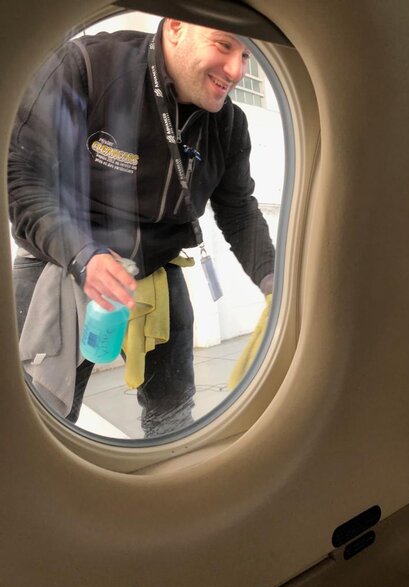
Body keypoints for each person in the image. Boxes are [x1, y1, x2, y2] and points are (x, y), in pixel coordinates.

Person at [8, 18, 275, 437]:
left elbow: (238, 210)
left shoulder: (228, 124)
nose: (237, 70)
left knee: (173, 417)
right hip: (60, 256)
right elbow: (23, 180)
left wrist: (275, 282)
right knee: (33, 418)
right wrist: (83, 256)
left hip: (156, 265)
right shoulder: (86, 67)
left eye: (246, 55)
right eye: (224, 45)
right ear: (175, 27)